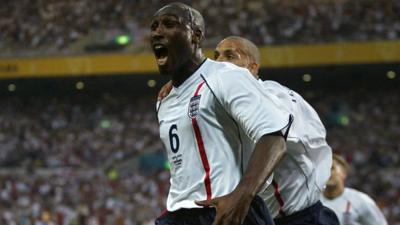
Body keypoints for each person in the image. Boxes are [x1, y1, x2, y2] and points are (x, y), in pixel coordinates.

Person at [159, 36, 339, 225]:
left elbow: (274, 136)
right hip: (258, 215)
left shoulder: (274, 95)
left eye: (230, 56)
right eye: (216, 56)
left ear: (252, 68)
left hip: (301, 218)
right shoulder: (224, 98)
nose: (219, 62)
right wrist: (186, 85)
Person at [150, 3, 293, 225]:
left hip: (227, 209)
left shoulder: (226, 76)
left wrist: (242, 196)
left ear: (195, 35)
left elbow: (274, 138)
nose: (158, 32)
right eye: (154, 27)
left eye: (169, 24)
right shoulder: (165, 99)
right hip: (179, 213)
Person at [321, 154, 388, 225]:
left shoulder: (361, 200)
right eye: (325, 168)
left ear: (344, 173)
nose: (328, 172)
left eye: (332, 168)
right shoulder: (313, 201)